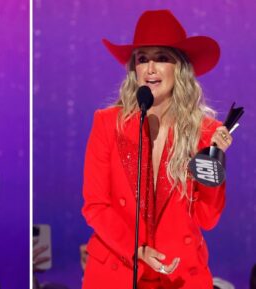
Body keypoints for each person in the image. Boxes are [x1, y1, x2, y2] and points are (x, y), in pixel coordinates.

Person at [81, 10, 231, 289]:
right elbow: (96, 206)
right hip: (120, 268)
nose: (150, 69)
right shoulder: (107, 123)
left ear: (180, 67)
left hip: (180, 275)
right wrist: (136, 249)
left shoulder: (205, 131)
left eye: (162, 58)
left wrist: (213, 161)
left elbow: (207, 219)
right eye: (142, 59)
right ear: (133, 68)